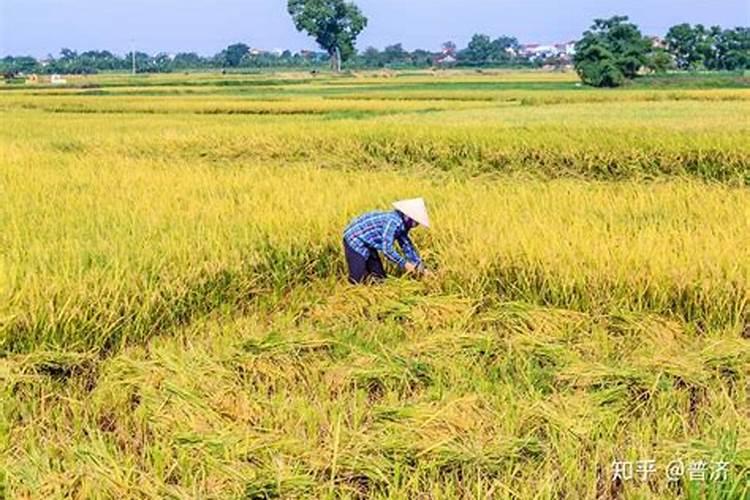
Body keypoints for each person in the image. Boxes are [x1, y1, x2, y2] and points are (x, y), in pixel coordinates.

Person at [343, 198, 430, 284]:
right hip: (354, 237)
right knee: (357, 280)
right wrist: (404, 264)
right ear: (409, 217)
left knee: (380, 278)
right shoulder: (392, 222)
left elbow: (407, 246)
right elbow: (387, 249)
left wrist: (420, 267)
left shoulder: (402, 225)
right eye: (416, 222)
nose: (416, 225)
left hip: (369, 242)